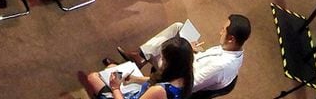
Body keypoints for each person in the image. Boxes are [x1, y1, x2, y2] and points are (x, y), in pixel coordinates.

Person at [116, 14, 251, 93]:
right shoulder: (232, 50)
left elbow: (187, 84)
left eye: (223, 30)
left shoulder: (221, 66)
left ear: (231, 38)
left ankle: (140, 58)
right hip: (191, 62)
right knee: (179, 27)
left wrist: (184, 53)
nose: (220, 32)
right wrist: (192, 51)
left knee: (162, 50)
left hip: (182, 74)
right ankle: (140, 57)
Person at [88, 37, 195, 99]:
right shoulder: (185, 74)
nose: (160, 60)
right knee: (112, 67)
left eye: (162, 59)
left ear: (169, 64)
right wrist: (135, 79)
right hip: (143, 94)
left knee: (93, 77)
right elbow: (161, 80)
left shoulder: (158, 90)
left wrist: (115, 88)